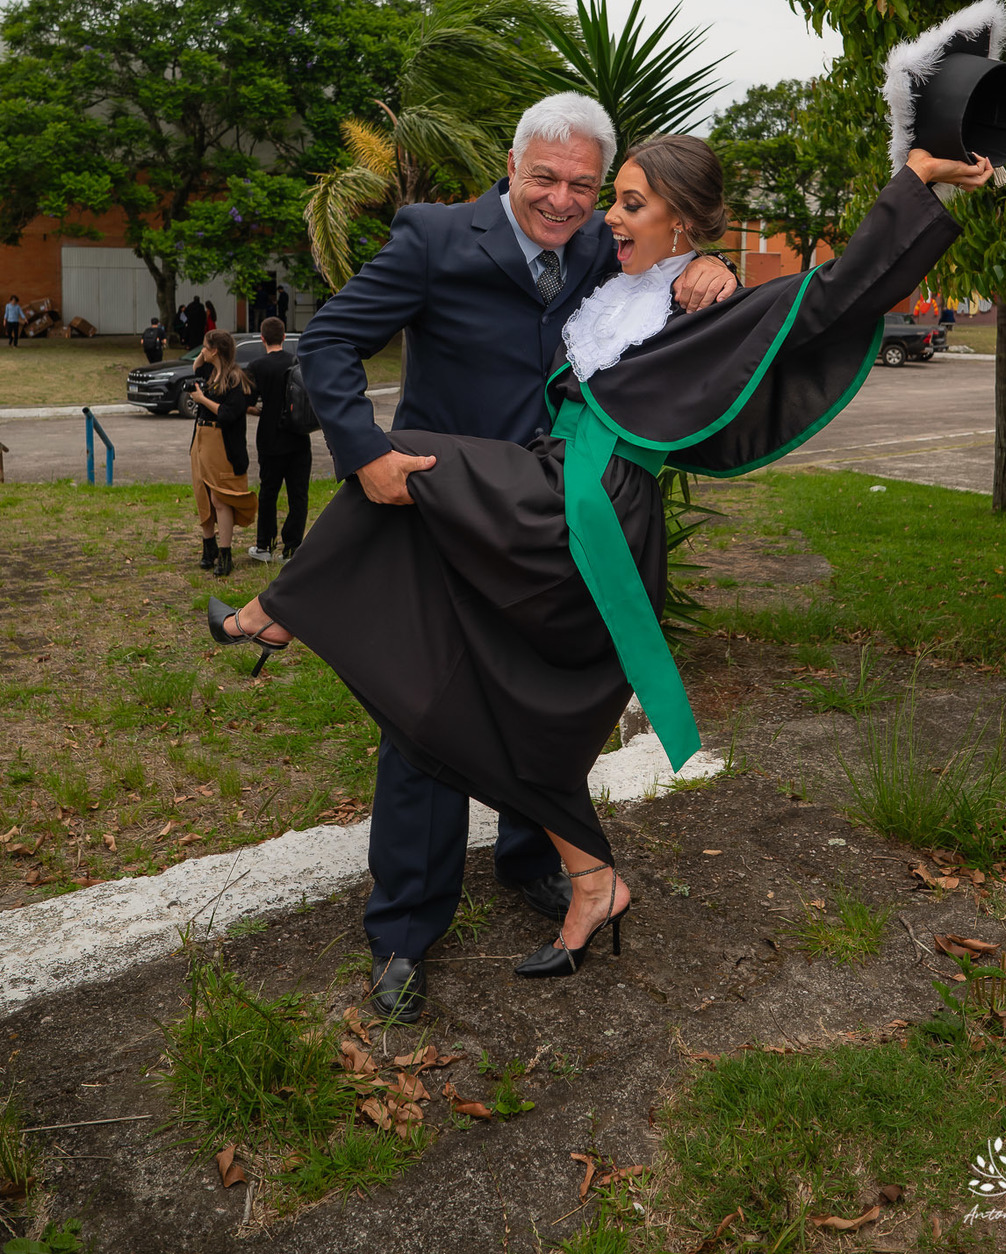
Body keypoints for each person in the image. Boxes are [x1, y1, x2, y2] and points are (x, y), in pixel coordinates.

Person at [209, 130, 990, 1014]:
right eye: (591, 193)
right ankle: (561, 884)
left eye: (623, 201)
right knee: (470, 689)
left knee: (409, 464)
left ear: (683, 219)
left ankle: (278, 614)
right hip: (547, 490)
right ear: (514, 172)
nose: (595, 213)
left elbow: (834, 293)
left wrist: (915, 179)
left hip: (582, 503)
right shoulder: (600, 269)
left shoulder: (699, 302)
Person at [213, 95, 736, 1023]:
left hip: (543, 524)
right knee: (425, 717)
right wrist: (364, 451)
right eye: (545, 178)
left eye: (584, 185)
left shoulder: (599, 247)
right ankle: (406, 928)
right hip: (438, 511)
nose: (565, 201)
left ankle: (533, 859)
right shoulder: (431, 239)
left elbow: (663, 258)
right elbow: (330, 340)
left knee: (533, 698)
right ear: (510, 164)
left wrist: (713, 272)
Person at [243, 316, 311, 563]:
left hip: (270, 438)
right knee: (298, 495)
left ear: (262, 338)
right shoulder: (297, 362)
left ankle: (265, 546)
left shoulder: (257, 366)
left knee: (268, 492)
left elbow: (248, 401)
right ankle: (292, 549)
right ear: (284, 337)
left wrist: (256, 409)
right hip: (298, 437)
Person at [189, 329, 257, 576]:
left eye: (205, 346)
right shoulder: (209, 372)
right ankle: (209, 547)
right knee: (203, 494)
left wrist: (201, 400)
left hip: (222, 443)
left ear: (215, 350)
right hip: (201, 439)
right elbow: (196, 368)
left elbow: (229, 413)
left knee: (220, 497)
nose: (202, 351)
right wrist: (203, 354)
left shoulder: (235, 378)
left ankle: (225, 555)